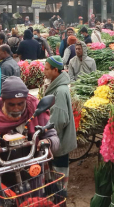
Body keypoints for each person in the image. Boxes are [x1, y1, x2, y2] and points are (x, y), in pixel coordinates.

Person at [0, 76, 60, 187]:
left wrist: (48, 142)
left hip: (35, 172)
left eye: (20, 104)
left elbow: (53, 137)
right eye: (11, 104)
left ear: (26, 100)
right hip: (6, 175)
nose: (16, 108)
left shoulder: (35, 109)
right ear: (3, 101)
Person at [43, 56, 77, 196]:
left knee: (59, 177)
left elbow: (60, 120)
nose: (44, 71)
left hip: (60, 141)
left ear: (55, 70)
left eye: (46, 69)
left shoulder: (60, 91)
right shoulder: (57, 86)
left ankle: (60, 200)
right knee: (54, 175)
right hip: (56, 140)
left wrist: (47, 135)